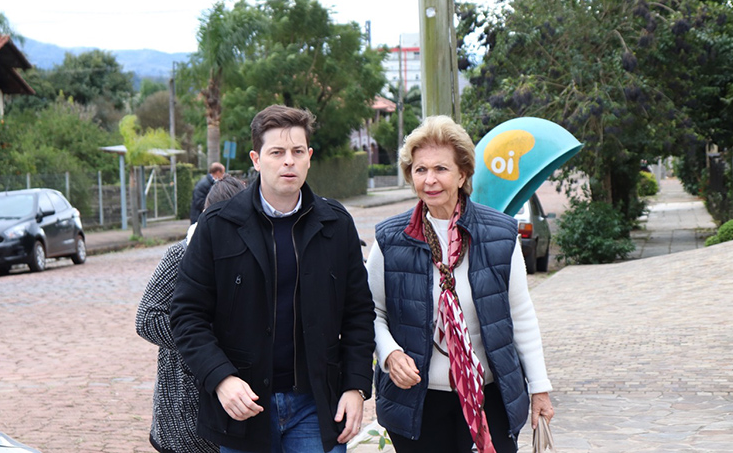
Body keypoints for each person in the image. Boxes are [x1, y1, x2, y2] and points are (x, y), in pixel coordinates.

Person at [170, 104, 375, 453]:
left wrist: (355, 387)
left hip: (316, 404)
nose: (288, 162)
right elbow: (187, 315)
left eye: (297, 152)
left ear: (309, 157)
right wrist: (221, 378)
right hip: (244, 405)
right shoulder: (218, 226)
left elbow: (358, 313)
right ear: (256, 159)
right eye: (277, 152)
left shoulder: (336, 224)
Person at [367, 116, 555, 453]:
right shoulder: (390, 239)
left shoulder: (500, 234)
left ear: (462, 174)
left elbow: (520, 315)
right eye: (420, 170)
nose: (430, 179)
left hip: (489, 397)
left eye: (441, 168)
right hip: (417, 402)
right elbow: (371, 312)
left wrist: (539, 387)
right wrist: (389, 353)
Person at [136, 174, 247, 453]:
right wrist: (201, 342)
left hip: (235, 400)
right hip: (183, 403)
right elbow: (147, 317)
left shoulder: (250, 255)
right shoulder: (181, 255)